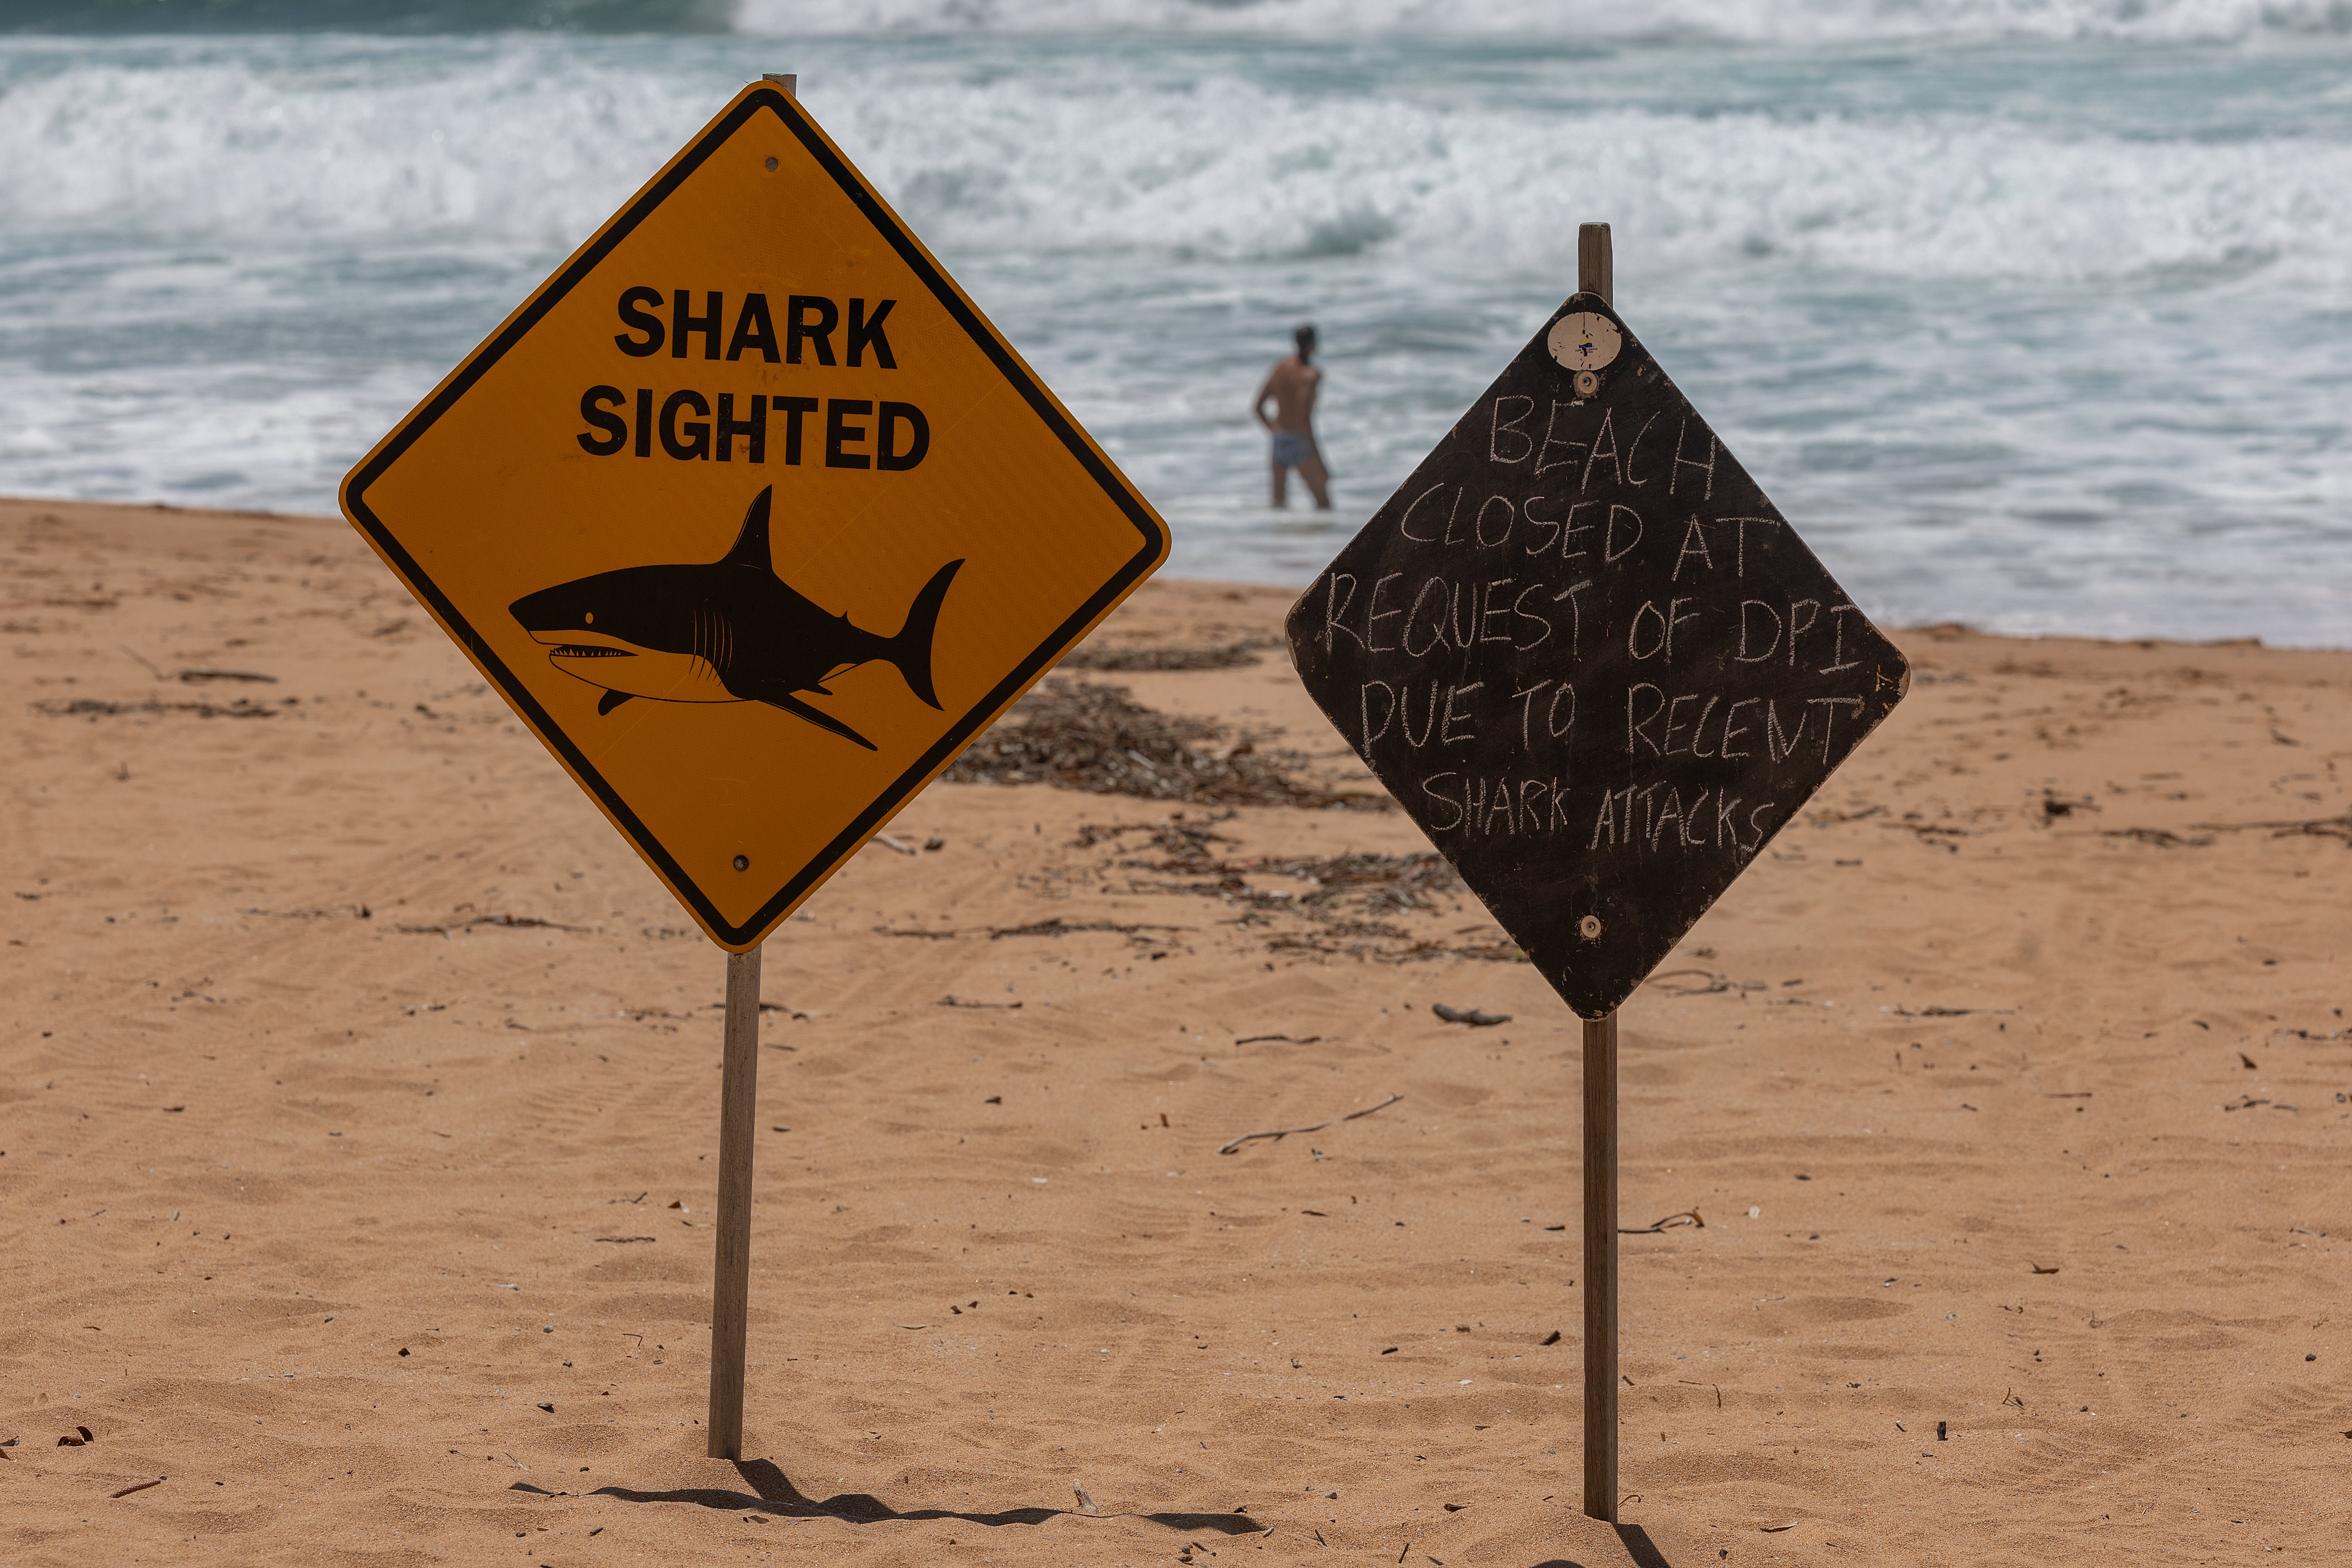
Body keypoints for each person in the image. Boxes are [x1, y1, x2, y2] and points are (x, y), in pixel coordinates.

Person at [1251, 323, 1331, 510]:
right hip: (1301, 439)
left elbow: (1257, 407)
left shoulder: (1280, 368)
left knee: (1279, 504)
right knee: (1324, 504)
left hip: (1279, 439)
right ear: (1313, 344)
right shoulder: (1312, 375)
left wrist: (1274, 431)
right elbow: (1304, 416)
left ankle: (1278, 538)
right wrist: (1319, 457)